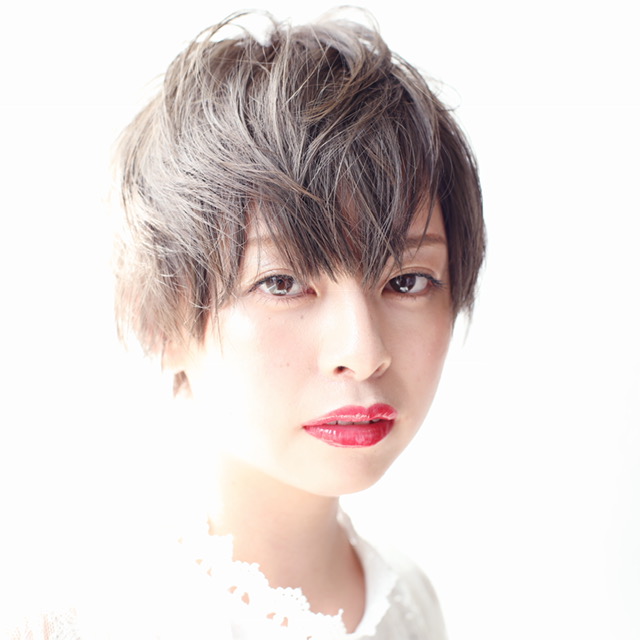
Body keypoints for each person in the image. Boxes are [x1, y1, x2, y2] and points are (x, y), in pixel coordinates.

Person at [8, 9, 484, 639]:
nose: (364, 351)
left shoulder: (411, 603)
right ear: (160, 323)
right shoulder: (77, 618)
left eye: (407, 281)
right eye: (281, 283)